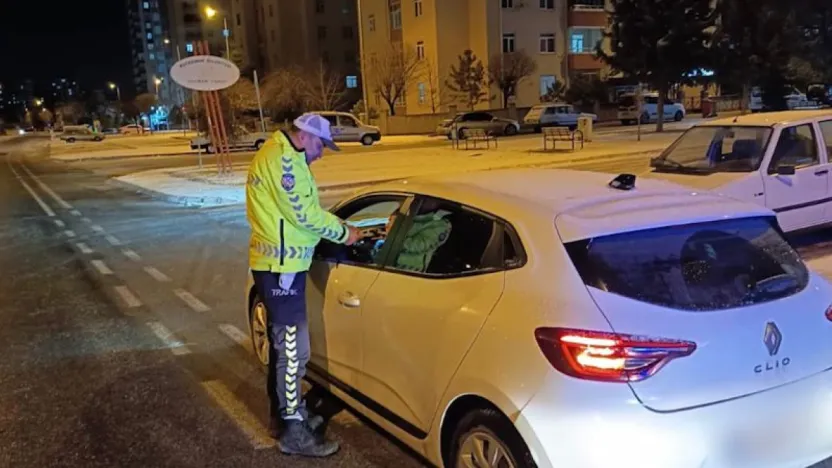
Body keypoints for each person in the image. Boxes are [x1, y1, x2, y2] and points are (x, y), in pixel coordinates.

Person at [246, 113, 361, 458]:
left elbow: (302, 212)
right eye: (321, 145)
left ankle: (284, 418)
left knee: (285, 349)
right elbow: (305, 215)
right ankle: (293, 432)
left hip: (279, 264)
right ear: (306, 135)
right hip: (281, 268)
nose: (322, 153)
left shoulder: (283, 153)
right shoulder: (285, 162)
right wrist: (345, 232)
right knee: (294, 352)